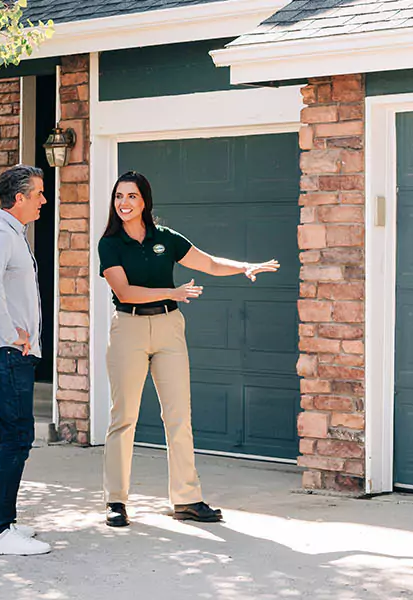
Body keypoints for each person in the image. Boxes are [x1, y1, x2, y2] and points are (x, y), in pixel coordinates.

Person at [98, 170, 279, 527]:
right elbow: (124, 292)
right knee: (124, 417)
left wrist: (244, 267)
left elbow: (208, 263)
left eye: (131, 196)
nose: (124, 203)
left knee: (179, 416)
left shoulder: (165, 238)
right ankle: (115, 501)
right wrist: (172, 291)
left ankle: (187, 500)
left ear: (145, 201)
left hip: (168, 328)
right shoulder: (110, 243)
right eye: (119, 196)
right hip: (129, 328)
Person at [0, 165, 50, 555]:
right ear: (19, 198)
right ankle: (1, 533)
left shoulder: (7, 233)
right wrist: (10, 333)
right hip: (7, 352)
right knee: (17, 436)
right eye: (38, 194)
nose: (43, 201)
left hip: (9, 350)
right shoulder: (0, 235)